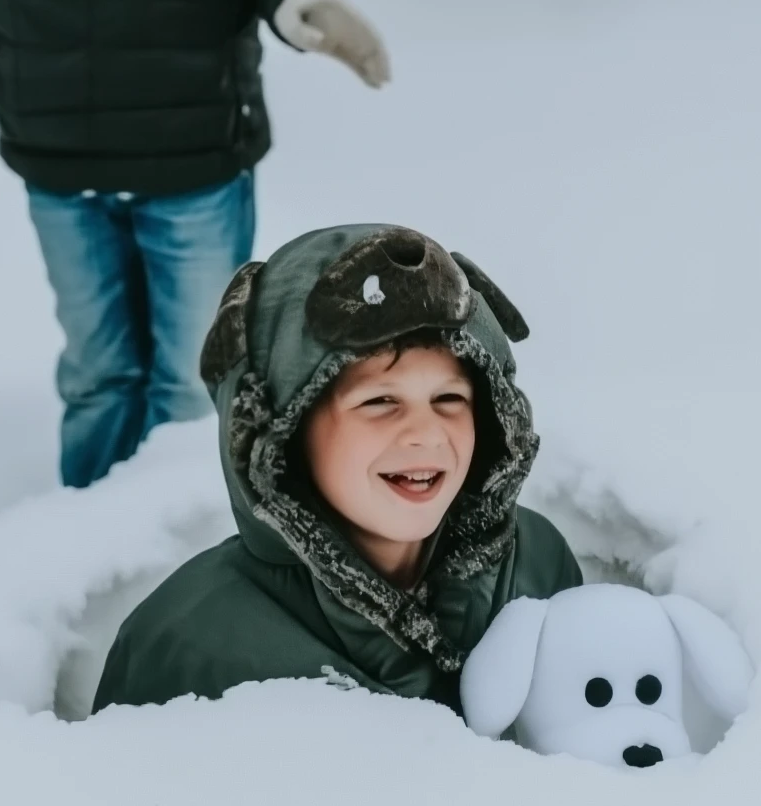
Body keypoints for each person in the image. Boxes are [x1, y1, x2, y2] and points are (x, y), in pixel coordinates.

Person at [91, 223, 583, 716]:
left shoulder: (536, 567)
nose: (427, 434)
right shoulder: (187, 643)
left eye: (449, 398)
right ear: (285, 428)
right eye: (380, 400)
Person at [0, 0, 389, 488]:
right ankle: (84, 539)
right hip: (57, 156)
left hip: (195, 155)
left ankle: (179, 547)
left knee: (193, 385)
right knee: (98, 379)